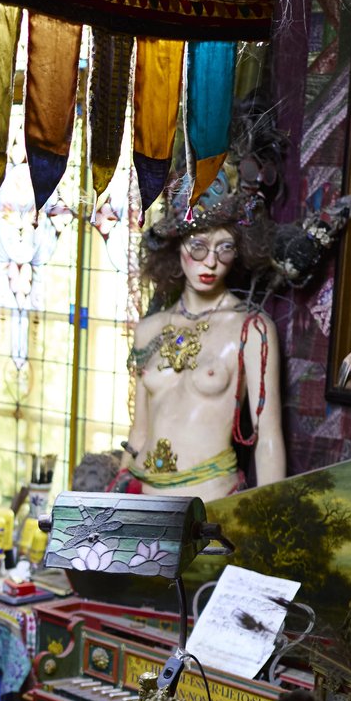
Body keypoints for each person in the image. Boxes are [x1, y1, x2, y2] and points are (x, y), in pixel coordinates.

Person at [120, 176, 287, 500]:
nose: (210, 261)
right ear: (177, 245)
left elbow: (267, 436)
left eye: (224, 248)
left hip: (210, 506)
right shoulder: (149, 330)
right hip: (144, 502)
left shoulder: (252, 330)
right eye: (198, 246)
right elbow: (139, 432)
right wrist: (114, 500)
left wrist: (270, 522)